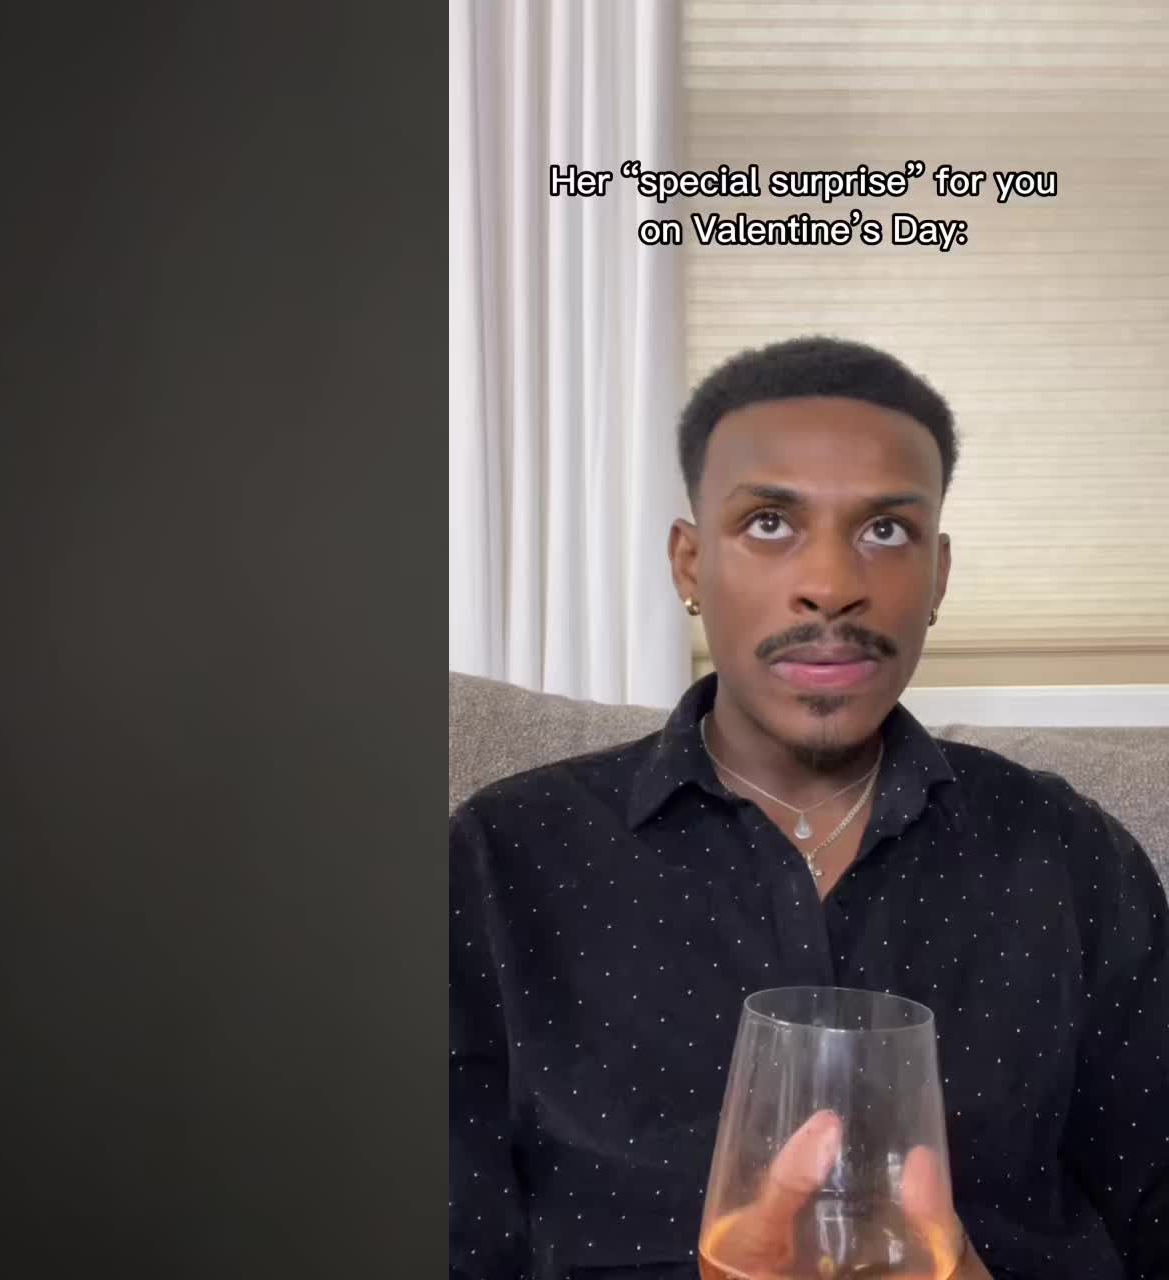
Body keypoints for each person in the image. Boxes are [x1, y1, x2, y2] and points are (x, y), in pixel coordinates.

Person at [449, 336, 1169, 1279]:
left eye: (886, 531)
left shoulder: (1073, 859)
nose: (830, 585)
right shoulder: (502, 859)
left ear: (939, 576)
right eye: (769, 523)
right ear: (689, 564)